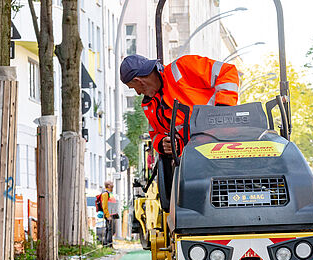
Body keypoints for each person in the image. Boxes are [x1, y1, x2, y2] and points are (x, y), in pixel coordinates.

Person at [120, 53, 240, 207]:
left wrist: (223, 110)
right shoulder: (150, 106)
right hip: (193, 164)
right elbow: (155, 134)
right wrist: (163, 143)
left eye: (133, 87)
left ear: (138, 81)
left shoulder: (182, 68)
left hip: (222, 147)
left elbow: (227, 72)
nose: (137, 93)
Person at [99, 181, 116, 247]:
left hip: (111, 214)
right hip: (108, 215)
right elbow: (104, 205)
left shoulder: (110, 193)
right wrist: (107, 215)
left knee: (110, 229)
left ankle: (109, 244)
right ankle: (107, 244)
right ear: (108, 185)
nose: (113, 184)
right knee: (109, 229)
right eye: (111, 183)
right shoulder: (105, 194)